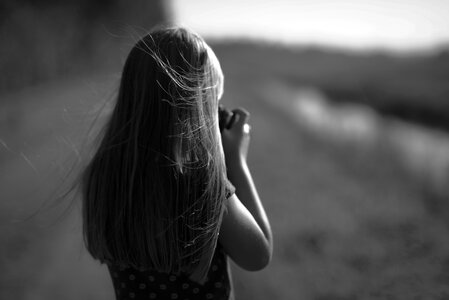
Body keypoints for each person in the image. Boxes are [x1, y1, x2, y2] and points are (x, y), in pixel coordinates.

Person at [80, 25, 273, 300]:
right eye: (213, 106)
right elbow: (259, 255)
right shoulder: (203, 186)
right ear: (199, 114)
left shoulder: (104, 176)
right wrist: (236, 162)